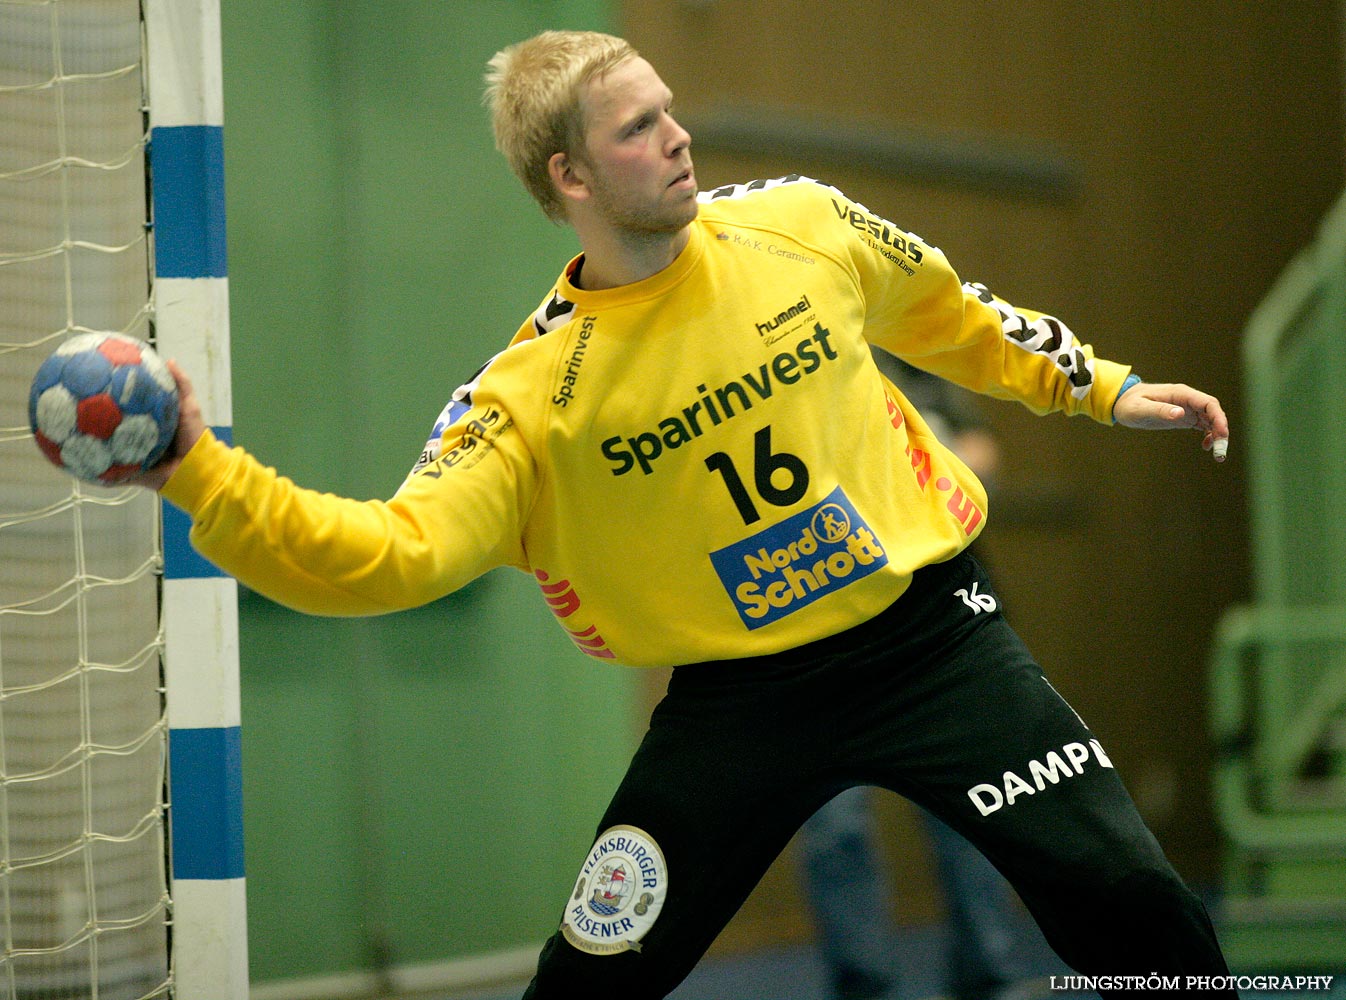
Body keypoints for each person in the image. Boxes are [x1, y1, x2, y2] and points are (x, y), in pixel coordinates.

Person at [136, 30, 1235, 999]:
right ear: (566, 174)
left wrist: (1098, 386)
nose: (676, 135)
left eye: (668, 109)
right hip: (738, 704)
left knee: (1136, 905)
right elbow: (383, 556)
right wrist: (197, 471)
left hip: (935, 643)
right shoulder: (525, 398)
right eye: (636, 127)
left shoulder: (799, 225)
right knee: (589, 982)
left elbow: (952, 314)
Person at [799, 355, 1044, 1000]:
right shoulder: (794, 375)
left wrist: (915, 478)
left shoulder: (919, 367)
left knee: (976, 806)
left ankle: (988, 969)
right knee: (836, 825)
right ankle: (864, 984)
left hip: (941, 626)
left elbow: (979, 453)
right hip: (825, 639)